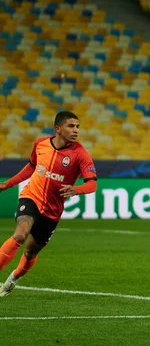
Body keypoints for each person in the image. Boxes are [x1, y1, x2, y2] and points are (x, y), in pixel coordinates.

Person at [0, 111, 97, 296]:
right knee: (20, 235)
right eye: (71, 126)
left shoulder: (80, 154)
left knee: (30, 253)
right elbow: (31, 167)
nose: (76, 130)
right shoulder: (41, 144)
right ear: (57, 129)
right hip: (31, 197)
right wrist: (8, 184)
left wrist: (76, 189)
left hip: (52, 211)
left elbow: (92, 184)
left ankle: (12, 280)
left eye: (77, 126)